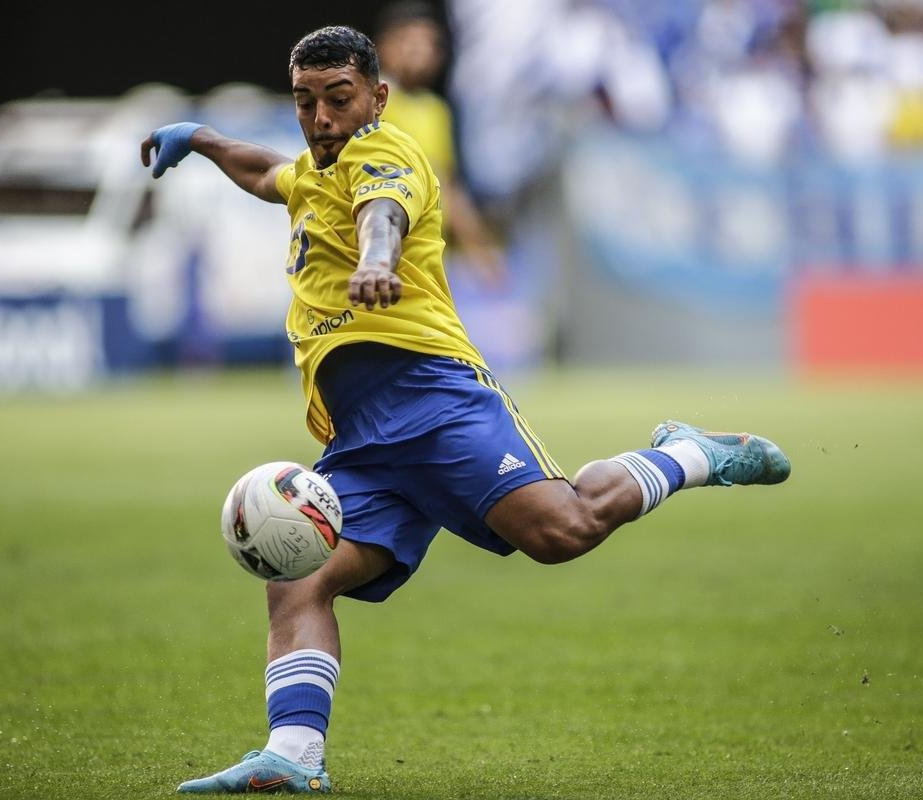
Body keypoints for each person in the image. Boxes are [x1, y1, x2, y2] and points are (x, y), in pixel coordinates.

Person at [141, 25, 791, 795]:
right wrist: (204, 139)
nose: (320, 117)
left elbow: (382, 215)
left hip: (434, 400)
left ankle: (693, 455)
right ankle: (294, 757)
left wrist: (377, 264)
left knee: (564, 530)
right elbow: (266, 173)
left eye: (338, 99)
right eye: (305, 102)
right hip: (363, 438)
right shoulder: (315, 175)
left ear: (377, 98)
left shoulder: (385, 154)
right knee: (298, 579)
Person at [373, 1, 503, 283]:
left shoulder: (436, 112)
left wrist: (479, 251)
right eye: (409, 41)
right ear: (384, 46)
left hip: (428, 265)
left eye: (429, 44)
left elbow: (448, 186)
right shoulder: (371, 104)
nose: (420, 51)